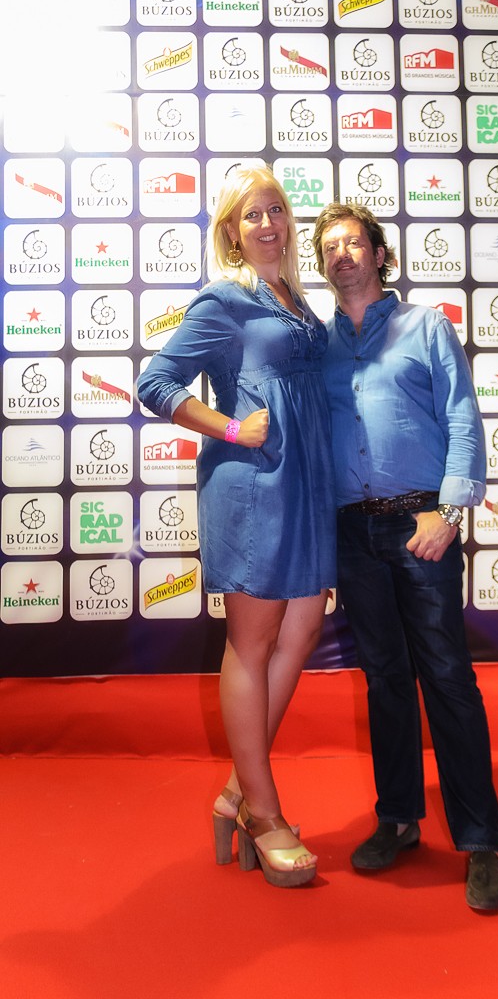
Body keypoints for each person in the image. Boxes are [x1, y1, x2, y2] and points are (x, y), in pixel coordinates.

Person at [137, 166, 335, 888]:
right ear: (231, 231)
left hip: (308, 485)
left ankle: (234, 791)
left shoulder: (299, 303)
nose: (268, 223)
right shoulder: (224, 301)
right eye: (252, 215)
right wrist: (229, 427)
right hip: (253, 486)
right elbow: (155, 383)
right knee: (252, 644)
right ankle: (264, 809)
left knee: (303, 631)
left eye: (276, 209)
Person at [312, 202, 498, 911]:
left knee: (447, 678)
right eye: (329, 247)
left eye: (353, 242)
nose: (342, 254)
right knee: (385, 680)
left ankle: (481, 842)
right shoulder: (318, 344)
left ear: (378, 254)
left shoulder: (426, 326)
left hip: (422, 525)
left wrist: (449, 511)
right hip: (352, 533)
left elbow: (462, 415)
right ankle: (398, 819)